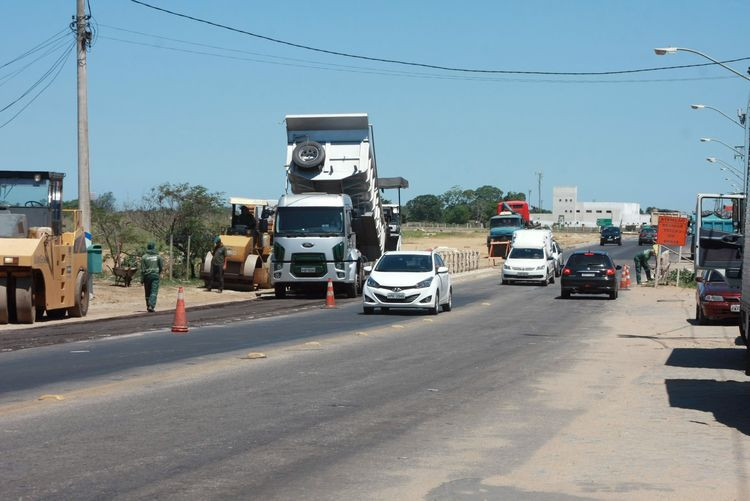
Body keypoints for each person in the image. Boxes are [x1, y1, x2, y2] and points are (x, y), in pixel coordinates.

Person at [140, 241, 163, 312]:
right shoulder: (158, 256)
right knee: (154, 291)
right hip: (155, 276)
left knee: (147, 292)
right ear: (154, 247)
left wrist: (141, 279)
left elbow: (142, 269)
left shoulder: (144, 257)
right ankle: (151, 305)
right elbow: (161, 266)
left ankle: (148, 306)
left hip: (147, 276)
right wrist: (159, 273)